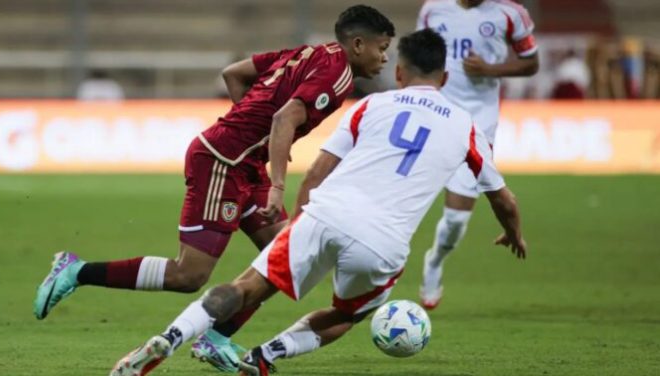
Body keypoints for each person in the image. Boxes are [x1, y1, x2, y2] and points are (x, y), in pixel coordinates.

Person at [109, 28, 526, 376]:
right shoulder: (466, 127)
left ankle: (169, 339)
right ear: (446, 77)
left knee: (245, 287)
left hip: (326, 214)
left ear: (399, 73)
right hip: (383, 243)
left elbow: (317, 171)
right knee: (347, 314)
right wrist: (513, 234)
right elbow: (503, 199)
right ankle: (264, 356)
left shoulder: (370, 106)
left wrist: (301, 222)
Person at [33, 4, 395, 373]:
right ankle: (76, 271)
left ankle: (216, 339)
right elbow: (284, 117)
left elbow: (233, 73)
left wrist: (250, 131)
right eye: (382, 48)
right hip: (221, 162)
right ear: (358, 44)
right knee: (188, 275)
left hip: (244, 162)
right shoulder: (338, 76)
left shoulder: (309, 53)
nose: (385, 58)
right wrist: (275, 183)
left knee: (281, 257)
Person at [415, 0, 539, 309]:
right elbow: (419, 55)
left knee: (456, 220)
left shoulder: (511, 13)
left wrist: (491, 69)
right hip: (434, 113)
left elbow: (531, 62)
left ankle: (435, 260)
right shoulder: (433, 9)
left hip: (477, 123)